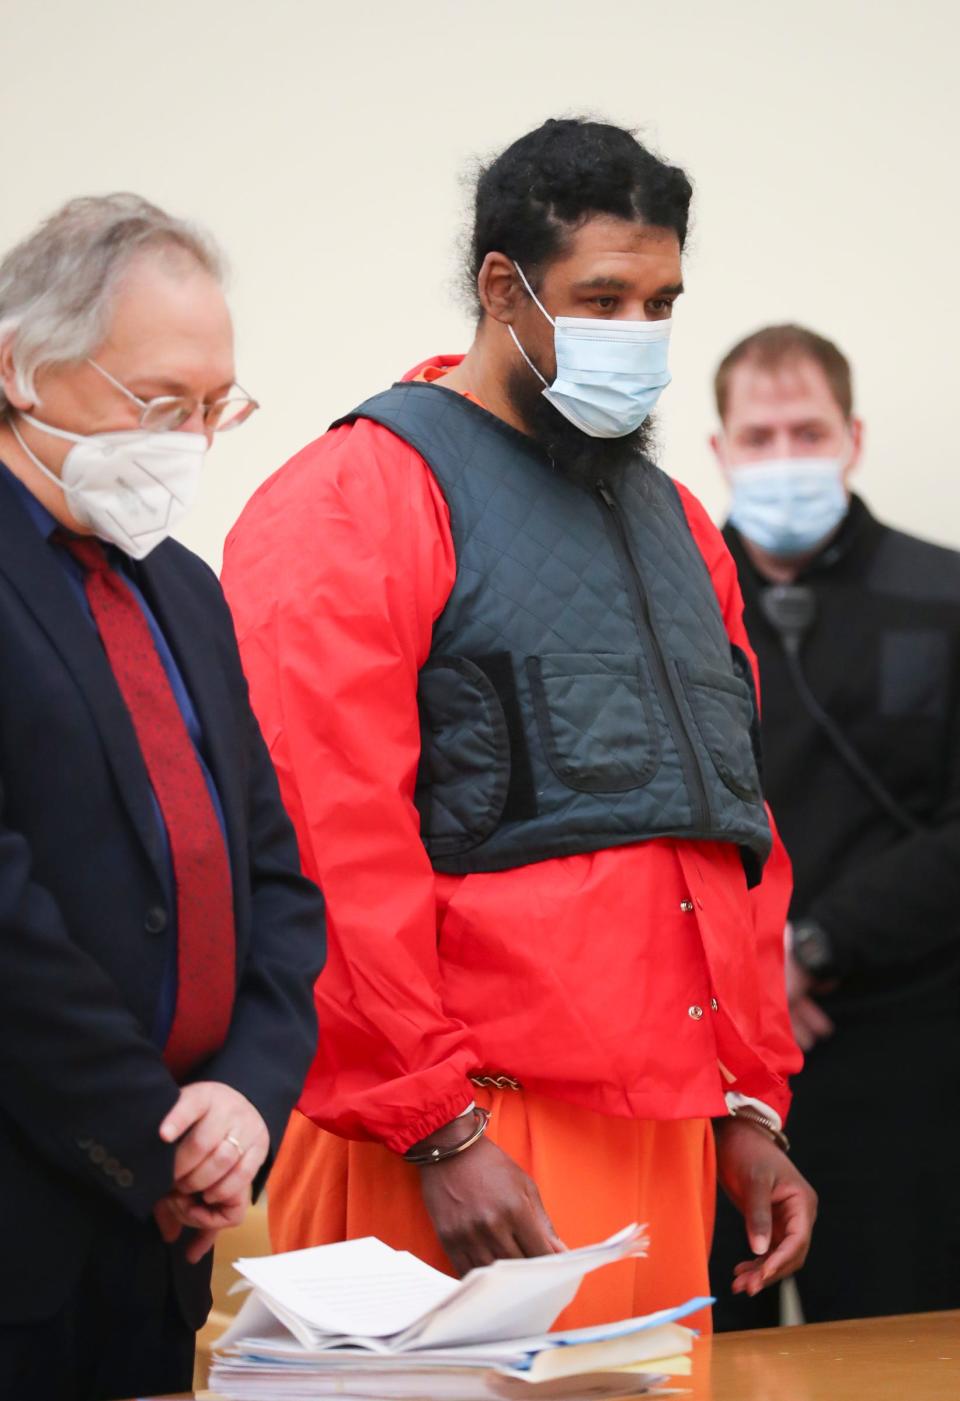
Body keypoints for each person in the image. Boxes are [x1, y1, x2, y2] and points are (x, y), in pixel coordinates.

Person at [223, 118, 815, 1333]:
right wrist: (437, 1126)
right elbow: (321, 835)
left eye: (662, 302)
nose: (639, 334)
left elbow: (727, 826)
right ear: (504, 286)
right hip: (456, 1139)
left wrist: (747, 1105)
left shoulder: (678, 524)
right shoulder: (355, 497)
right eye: (603, 296)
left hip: (663, 1137)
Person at [0, 194, 326, 1401]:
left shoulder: (183, 587)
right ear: (21, 369)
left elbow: (277, 880)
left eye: (214, 407)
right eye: (159, 405)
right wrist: (157, 1141)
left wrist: (245, 1096)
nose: (190, 441)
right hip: (35, 1206)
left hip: (160, 1243)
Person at [709, 323, 960, 1326]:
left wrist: (814, 949)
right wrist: (753, 978)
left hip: (901, 1051)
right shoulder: (671, 607)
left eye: (805, 432)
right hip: (714, 1068)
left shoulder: (943, 597)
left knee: (902, 1335)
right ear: (720, 451)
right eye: (758, 437)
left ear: (852, 437)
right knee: (704, 1343)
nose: (782, 459)